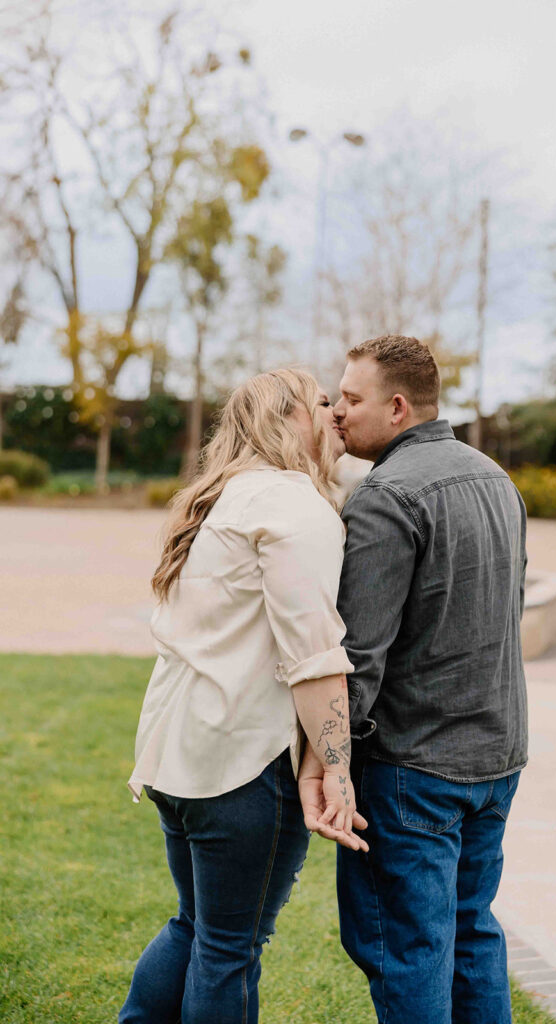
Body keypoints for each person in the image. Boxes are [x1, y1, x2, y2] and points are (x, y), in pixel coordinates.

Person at [119, 368, 368, 1024]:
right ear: (288, 417)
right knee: (229, 946)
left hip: (181, 757)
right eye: (324, 404)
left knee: (196, 928)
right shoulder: (292, 506)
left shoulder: (224, 497)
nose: (337, 416)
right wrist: (337, 769)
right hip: (239, 764)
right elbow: (313, 658)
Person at [332, 335, 528, 1024]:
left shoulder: (384, 496)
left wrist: (332, 765)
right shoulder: (494, 478)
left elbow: (356, 655)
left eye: (351, 400)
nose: (336, 413)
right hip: (495, 761)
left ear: (395, 407)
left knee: (406, 949)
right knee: (470, 933)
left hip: (413, 769)